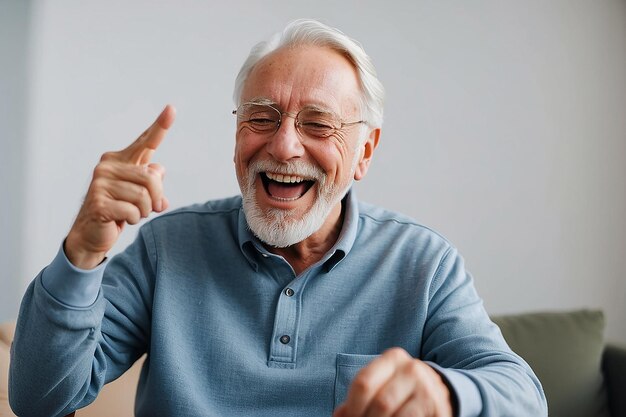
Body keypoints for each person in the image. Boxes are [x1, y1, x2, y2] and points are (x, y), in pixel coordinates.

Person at [9, 19, 547, 417]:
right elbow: (38, 399)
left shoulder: (421, 263)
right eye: (262, 117)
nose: (285, 146)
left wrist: (448, 393)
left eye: (318, 124)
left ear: (364, 152)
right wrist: (81, 252)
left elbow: (522, 397)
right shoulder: (166, 248)